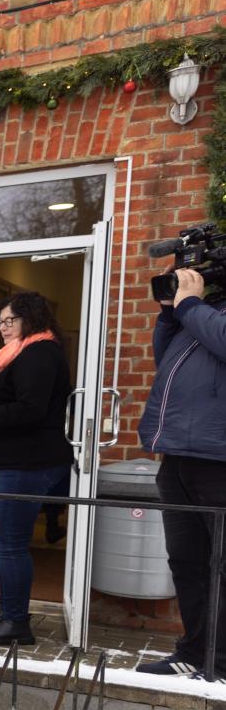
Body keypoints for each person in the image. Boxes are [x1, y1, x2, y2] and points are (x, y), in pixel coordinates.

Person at [0, 292, 73, 646]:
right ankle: (7, 614)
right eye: (1, 322)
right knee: (8, 542)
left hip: (25, 464)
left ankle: (16, 623)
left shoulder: (38, 354)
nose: (4, 328)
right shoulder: (29, 353)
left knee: (10, 544)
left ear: (32, 318)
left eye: (11, 320)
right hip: (21, 462)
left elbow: (30, 410)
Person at [136, 266, 226, 678]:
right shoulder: (201, 315)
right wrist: (171, 313)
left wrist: (191, 305)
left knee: (220, 565)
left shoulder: (206, 315)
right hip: (177, 457)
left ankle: (221, 661)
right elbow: (164, 359)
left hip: (218, 460)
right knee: (187, 563)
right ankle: (193, 652)